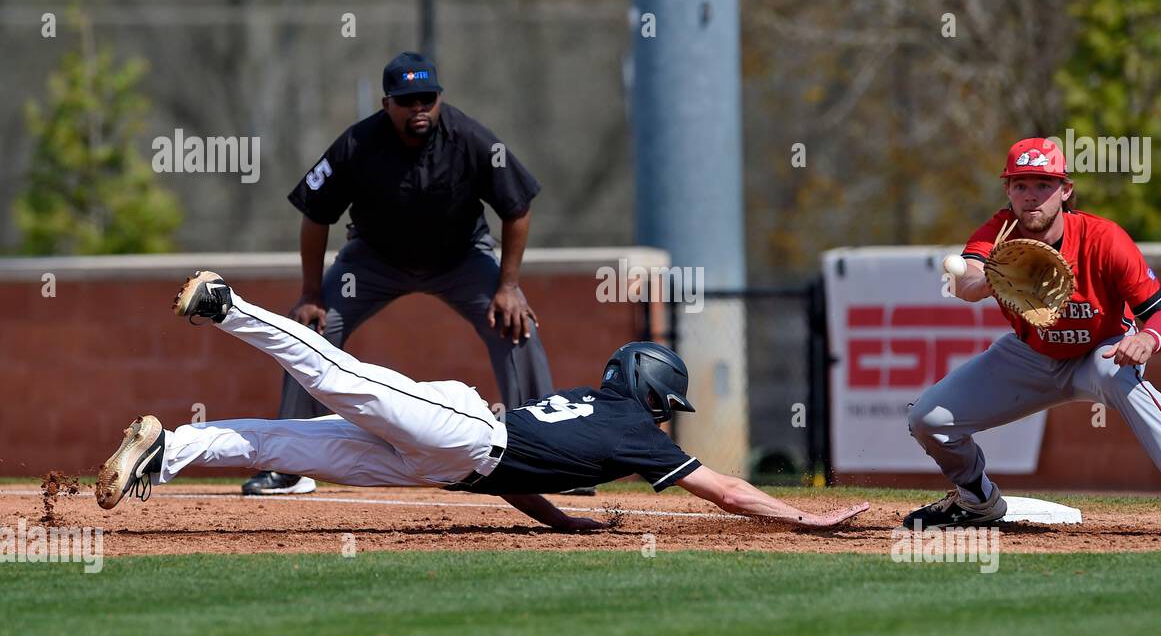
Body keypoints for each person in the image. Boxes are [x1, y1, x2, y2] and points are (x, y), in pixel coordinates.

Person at [93, 272, 870, 533]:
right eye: (668, 405)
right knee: (338, 375)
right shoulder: (634, 430)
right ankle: (226, 304)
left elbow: (521, 475)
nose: (665, 418)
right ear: (652, 392)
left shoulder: (591, 404)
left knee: (282, 445)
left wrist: (564, 519)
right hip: (462, 433)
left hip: (450, 462)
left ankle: (166, 451)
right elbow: (727, 488)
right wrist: (805, 516)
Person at [242, 51, 559, 497]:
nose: (419, 109)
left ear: (439, 99)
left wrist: (509, 286)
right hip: (374, 261)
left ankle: (548, 460)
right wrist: (311, 292)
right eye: (408, 101)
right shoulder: (357, 143)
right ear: (386, 102)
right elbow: (315, 215)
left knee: (515, 325)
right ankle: (291, 467)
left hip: (461, 260)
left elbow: (518, 205)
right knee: (311, 332)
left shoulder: (469, 138)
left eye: (427, 99)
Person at [904, 137, 1161, 536]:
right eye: (1021, 184)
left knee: (1116, 374)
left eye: (1044, 184)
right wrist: (987, 278)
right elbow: (967, 278)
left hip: (1100, 350)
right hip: (1031, 355)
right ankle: (977, 499)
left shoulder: (1103, 239)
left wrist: (1147, 340)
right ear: (1008, 190)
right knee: (927, 419)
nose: (1032, 196)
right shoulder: (999, 233)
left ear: (1066, 190)